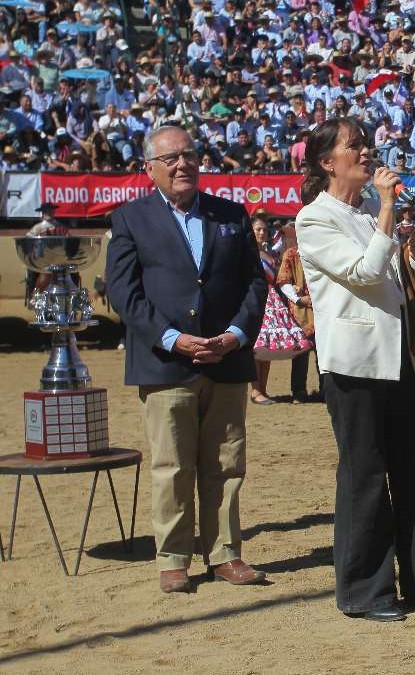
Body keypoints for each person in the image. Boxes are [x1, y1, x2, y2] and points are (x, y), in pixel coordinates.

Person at [294, 117, 415, 622]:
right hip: (356, 364)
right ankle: (366, 591)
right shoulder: (314, 219)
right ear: (327, 163)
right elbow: (364, 274)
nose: (367, 152)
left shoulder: (367, 210)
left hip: (404, 358)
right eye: (354, 146)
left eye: (366, 144)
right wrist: (387, 208)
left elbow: (399, 277)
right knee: (365, 475)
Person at [105, 125, 268, 593]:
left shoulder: (231, 215)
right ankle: (174, 557)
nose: (183, 164)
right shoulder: (130, 218)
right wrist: (173, 338)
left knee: (226, 463)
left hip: (228, 360)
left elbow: (254, 284)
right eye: (172, 157)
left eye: (190, 155)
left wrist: (236, 335)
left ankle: (225, 554)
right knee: (173, 465)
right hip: (165, 364)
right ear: (149, 168)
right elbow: (123, 292)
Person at [250, 213, 313, 404]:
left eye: (264, 230)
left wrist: (291, 285)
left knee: (267, 346)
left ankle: (263, 388)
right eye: (258, 229)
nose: (262, 233)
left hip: (272, 301)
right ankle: (255, 390)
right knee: (256, 347)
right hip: (255, 299)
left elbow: (278, 278)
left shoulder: (270, 254)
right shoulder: (246, 252)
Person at [274, 222, 322, 403]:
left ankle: (325, 389)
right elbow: (284, 281)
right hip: (300, 312)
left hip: (322, 310)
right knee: (301, 353)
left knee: (323, 354)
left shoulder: (322, 253)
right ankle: (299, 391)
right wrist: (298, 299)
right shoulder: (291, 254)